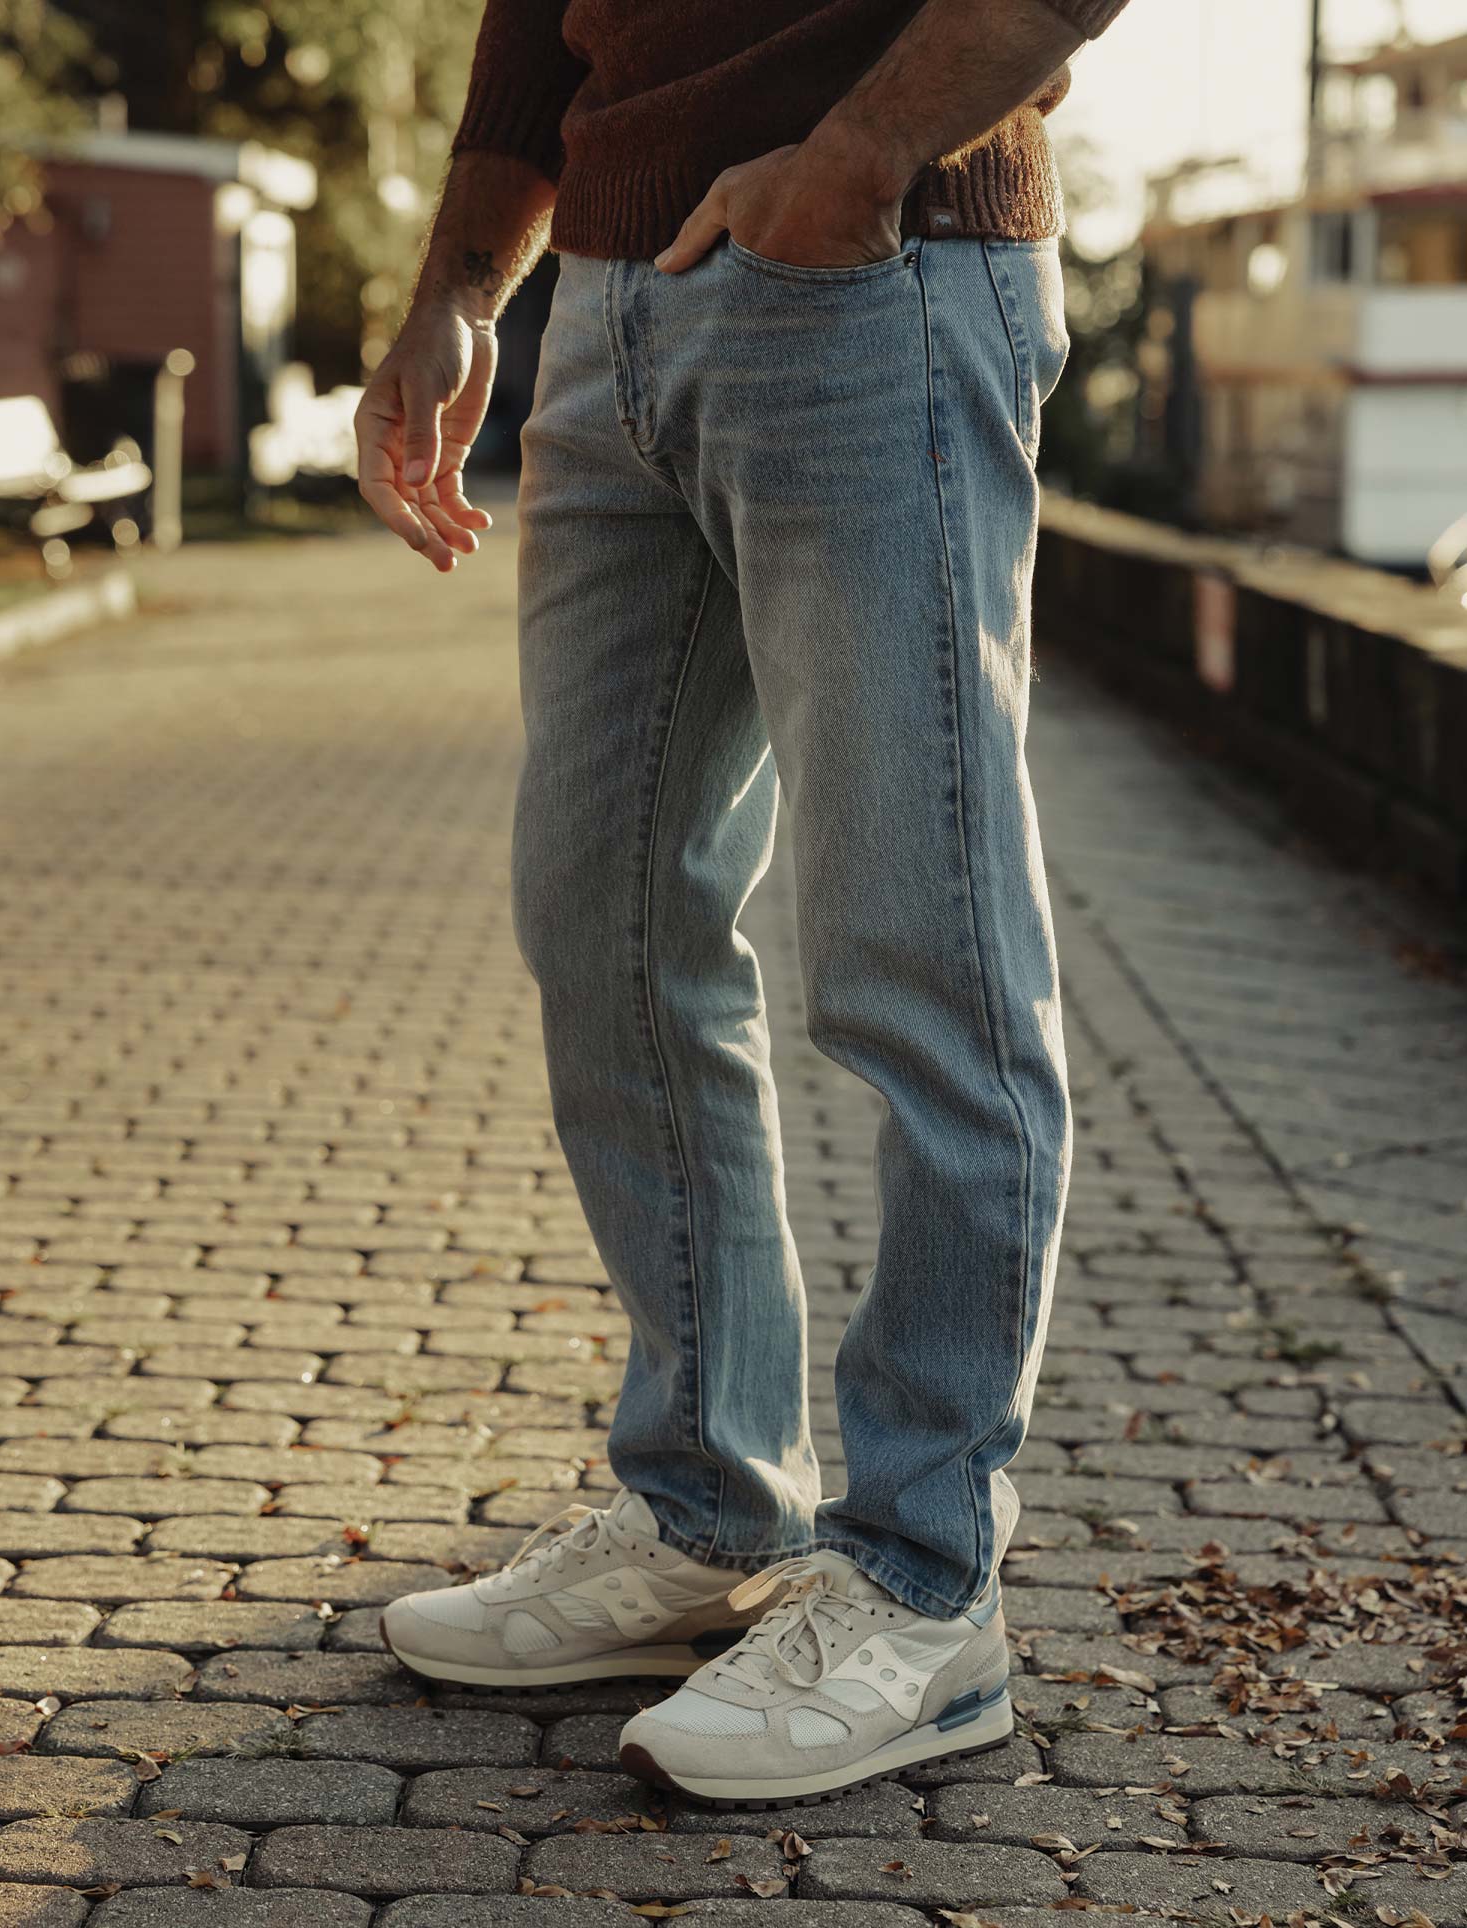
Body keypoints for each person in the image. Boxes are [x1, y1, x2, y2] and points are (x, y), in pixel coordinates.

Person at [356, 0, 1127, 1810]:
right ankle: (708, 1512)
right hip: (604, 308)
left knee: (918, 955)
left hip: (874, 264)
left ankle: (926, 1585)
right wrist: (464, 282)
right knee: (602, 926)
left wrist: (858, 158)